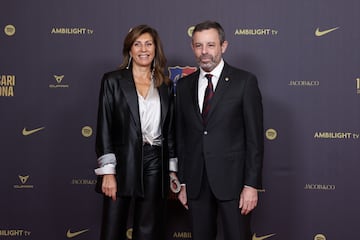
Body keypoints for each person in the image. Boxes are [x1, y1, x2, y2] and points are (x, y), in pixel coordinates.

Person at [174, 21, 264, 240]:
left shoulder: (244, 82)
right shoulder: (184, 86)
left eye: (210, 45)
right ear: (192, 47)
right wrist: (183, 182)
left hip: (234, 185)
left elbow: (255, 139)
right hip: (196, 184)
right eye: (198, 46)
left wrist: (251, 185)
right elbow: (182, 138)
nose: (204, 52)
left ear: (223, 46)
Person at [94, 24, 176, 240]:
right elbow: (105, 128)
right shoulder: (112, 80)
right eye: (137, 44)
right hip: (122, 160)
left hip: (155, 161)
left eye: (148, 44)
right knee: (113, 227)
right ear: (129, 49)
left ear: (155, 49)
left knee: (148, 228)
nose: (143, 49)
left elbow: (169, 131)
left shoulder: (165, 84)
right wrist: (108, 173)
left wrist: (172, 171)